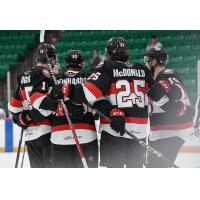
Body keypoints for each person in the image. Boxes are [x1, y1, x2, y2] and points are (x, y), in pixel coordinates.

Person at [56, 37, 170, 168]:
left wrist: (67, 90)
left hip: (114, 132)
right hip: (139, 133)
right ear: (126, 53)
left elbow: (88, 94)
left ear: (108, 53)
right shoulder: (142, 69)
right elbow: (160, 98)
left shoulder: (107, 66)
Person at [8, 43, 57, 168]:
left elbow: (13, 106)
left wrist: (22, 119)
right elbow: (42, 103)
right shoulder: (45, 74)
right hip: (46, 131)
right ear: (52, 59)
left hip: (30, 135)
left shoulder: (24, 75)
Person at [144, 47, 194, 167]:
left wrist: (164, 87)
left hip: (174, 130)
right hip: (158, 133)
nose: (147, 62)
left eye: (149, 60)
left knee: (158, 167)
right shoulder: (153, 80)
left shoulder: (167, 74)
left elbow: (178, 93)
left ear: (155, 61)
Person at [48, 50, 98, 168]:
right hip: (86, 134)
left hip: (59, 136)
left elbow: (46, 107)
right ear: (82, 63)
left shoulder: (55, 79)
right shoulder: (89, 78)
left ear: (66, 63)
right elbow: (97, 106)